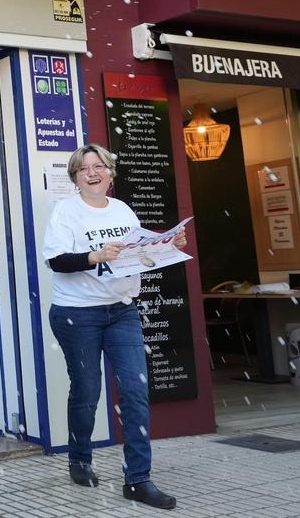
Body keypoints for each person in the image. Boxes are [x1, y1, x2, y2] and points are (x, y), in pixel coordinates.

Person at [42, 144, 186, 510]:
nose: (92, 172)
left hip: (122, 310)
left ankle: (137, 480)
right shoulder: (65, 211)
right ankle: (79, 457)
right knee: (88, 392)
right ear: (75, 177)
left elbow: (139, 254)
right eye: (83, 168)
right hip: (78, 314)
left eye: (99, 166)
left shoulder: (122, 209)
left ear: (110, 172)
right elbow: (56, 260)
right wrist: (96, 255)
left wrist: (168, 244)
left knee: (135, 391)